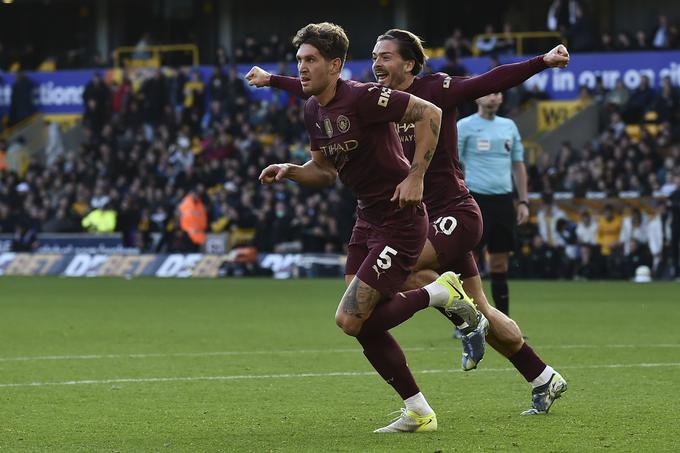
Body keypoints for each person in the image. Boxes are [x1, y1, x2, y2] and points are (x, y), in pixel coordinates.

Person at [248, 29, 570, 415]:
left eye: (385, 56)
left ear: (409, 63)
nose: (376, 64)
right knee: (479, 308)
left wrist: (542, 62)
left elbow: (490, 80)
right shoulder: (377, 102)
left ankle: (446, 303)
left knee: (395, 278)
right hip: (411, 215)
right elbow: (323, 88)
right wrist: (272, 83)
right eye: (373, 56)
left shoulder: (436, 90)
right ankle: (541, 375)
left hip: (450, 212)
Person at [256, 22, 479, 433]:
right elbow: (323, 172)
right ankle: (417, 411)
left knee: (349, 319)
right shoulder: (312, 109)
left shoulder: (363, 97)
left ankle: (439, 292)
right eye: (299, 60)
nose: (301, 68)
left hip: (400, 220)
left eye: (311, 60)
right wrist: (290, 170)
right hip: (367, 219)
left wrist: (416, 176)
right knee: (361, 324)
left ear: (335, 64)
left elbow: (429, 112)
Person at [458, 91, 529, 316]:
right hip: (475, 200)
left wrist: (523, 201)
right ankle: (467, 321)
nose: (493, 97)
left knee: (500, 264)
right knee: (469, 263)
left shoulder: (509, 126)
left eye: (497, 93)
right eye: (488, 93)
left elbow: (518, 165)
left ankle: (505, 323)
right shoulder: (464, 126)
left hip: (504, 201)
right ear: (477, 98)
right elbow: (453, 163)